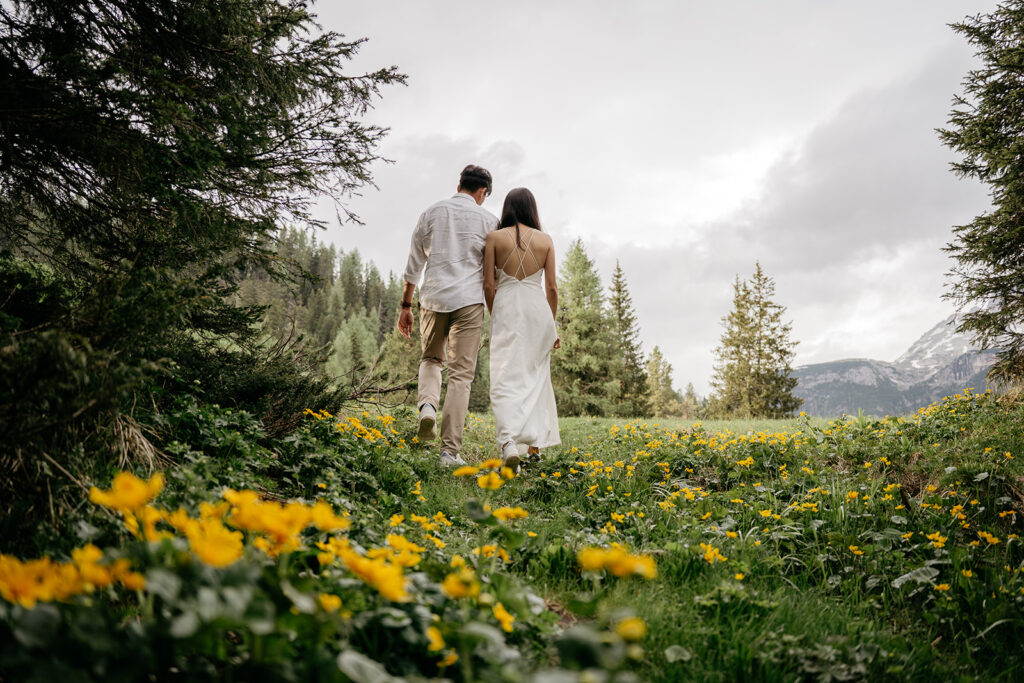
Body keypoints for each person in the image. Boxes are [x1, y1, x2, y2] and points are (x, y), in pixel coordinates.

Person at [398, 165, 498, 467]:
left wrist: (405, 305)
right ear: (482, 192)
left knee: (431, 359)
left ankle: (427, 407)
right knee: (460, 376)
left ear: (459, 184)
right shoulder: (490, 221)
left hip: (433, 298)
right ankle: (448, 452)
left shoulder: (431, 212)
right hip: (469, 301)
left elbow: (414, 263)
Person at [483, 188, 560, 471]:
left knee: (504, 376)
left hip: (506, 306)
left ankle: (507, 443)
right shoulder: (546, 241)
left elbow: (489, 285)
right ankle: (534, 449)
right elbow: (551, 288)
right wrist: (550, 325)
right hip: (537, 310)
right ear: (532, 209)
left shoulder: (493, 238)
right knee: (536, 376)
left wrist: (497, 314)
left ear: (506, 208)